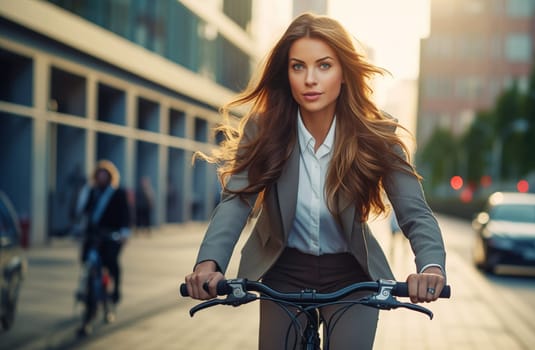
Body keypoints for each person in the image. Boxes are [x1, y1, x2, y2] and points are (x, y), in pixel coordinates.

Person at [184, 12, 446, 349]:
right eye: (298, 66)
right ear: (287, 73)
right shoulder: (264, 130)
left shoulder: (377, 134)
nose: (310, 79)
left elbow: (415, 212)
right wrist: (209, 264)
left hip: (352, 277)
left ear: (344, 74)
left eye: (324, 65)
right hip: (284, 273)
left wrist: (431, 267)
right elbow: (237, 200)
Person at [76, 160, 131, 333]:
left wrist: (124, 233)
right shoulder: (92, 192)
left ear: (110, 177)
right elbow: (83, 211)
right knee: (88, 263)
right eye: (98, 175)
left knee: (111, 263)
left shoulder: (118, 193)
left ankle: (114, 293)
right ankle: (87, 294)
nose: (101, 178)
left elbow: (126, 214)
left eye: (104, 175)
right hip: (93, 236)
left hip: (110, 237)